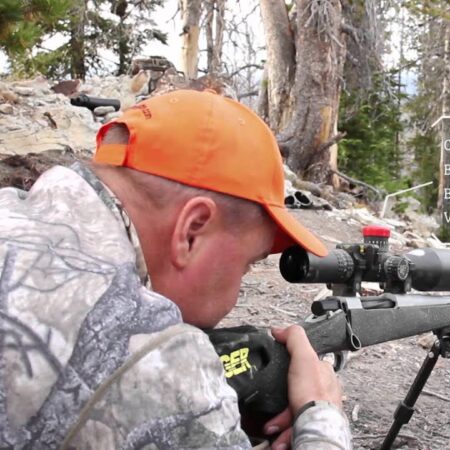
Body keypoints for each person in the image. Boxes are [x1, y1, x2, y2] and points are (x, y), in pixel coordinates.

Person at [0, 89, 351, 449]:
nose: (237, 292)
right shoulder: (157, 359)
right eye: (247, 264)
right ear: (192, 232)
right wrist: (322, 415)